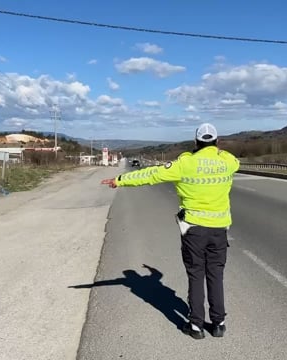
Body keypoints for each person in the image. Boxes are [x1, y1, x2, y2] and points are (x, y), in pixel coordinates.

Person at [101, 123, 240, 339]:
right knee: (216, 275)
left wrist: (120, 180)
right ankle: (219, 323)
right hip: (219, 230)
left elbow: (151, 175)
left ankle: (195, 326)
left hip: (194, 229)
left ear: (195, 142)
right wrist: (217, 151)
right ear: (217, 142)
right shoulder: (226, 161)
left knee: (195, 275)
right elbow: (234, 160)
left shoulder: (185, 163)